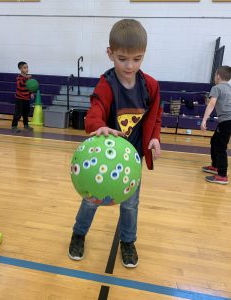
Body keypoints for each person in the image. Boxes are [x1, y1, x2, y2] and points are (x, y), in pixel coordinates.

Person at [69, 19, 162, 268]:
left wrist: (154, 137)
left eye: (137, 59)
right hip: (103, 159)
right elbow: (94, 112)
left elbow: (155, 117)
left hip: (132, 161)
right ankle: (78, 234)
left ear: (143, 56)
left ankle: (128, 242)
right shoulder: (107, 84)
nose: (129, 65)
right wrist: (99, 126)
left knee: (131, 204)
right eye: (122, 58)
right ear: (110, 53)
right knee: (91, 199)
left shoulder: (150, 86)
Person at [201, 65, 231, 185]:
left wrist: (204, 120)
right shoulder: (229, 88)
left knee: (220, 147)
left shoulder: (217, 88)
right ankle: (215, 166)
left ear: (218, 76)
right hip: (226, 121)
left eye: (215, 75)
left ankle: (222, 175)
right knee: (214, 141)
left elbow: (211, 104)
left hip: (226, 121)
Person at [11, 61, 34, 133]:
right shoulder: (19, 77)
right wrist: (26, 77)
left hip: (26, 98)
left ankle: (26, 125)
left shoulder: (28, 78)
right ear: (20, 69)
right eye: (25, 68)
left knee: (26, 113)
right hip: (19, 99)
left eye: (27, 67)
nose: (27, 69)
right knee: (18, 113)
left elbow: (30, 86)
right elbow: (21, 83)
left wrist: (31, 93)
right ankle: (14, 126)